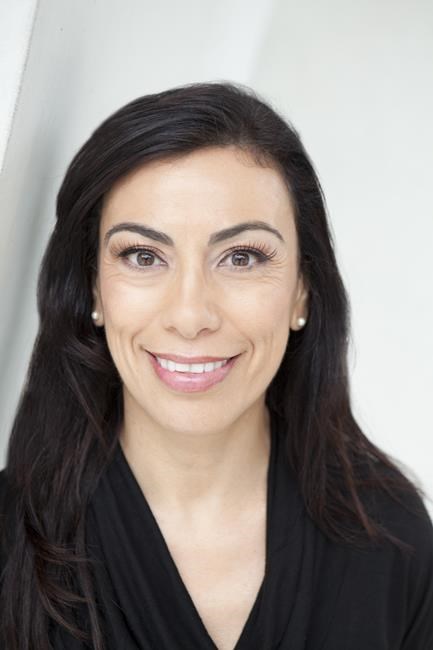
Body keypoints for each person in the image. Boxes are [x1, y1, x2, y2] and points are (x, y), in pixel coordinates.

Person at [0, 81, 432, 650]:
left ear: (303, 291)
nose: (190, 316)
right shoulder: (8, 539)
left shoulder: (395, 542)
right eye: (144, 256)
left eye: (242, 257)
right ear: (93, 289)